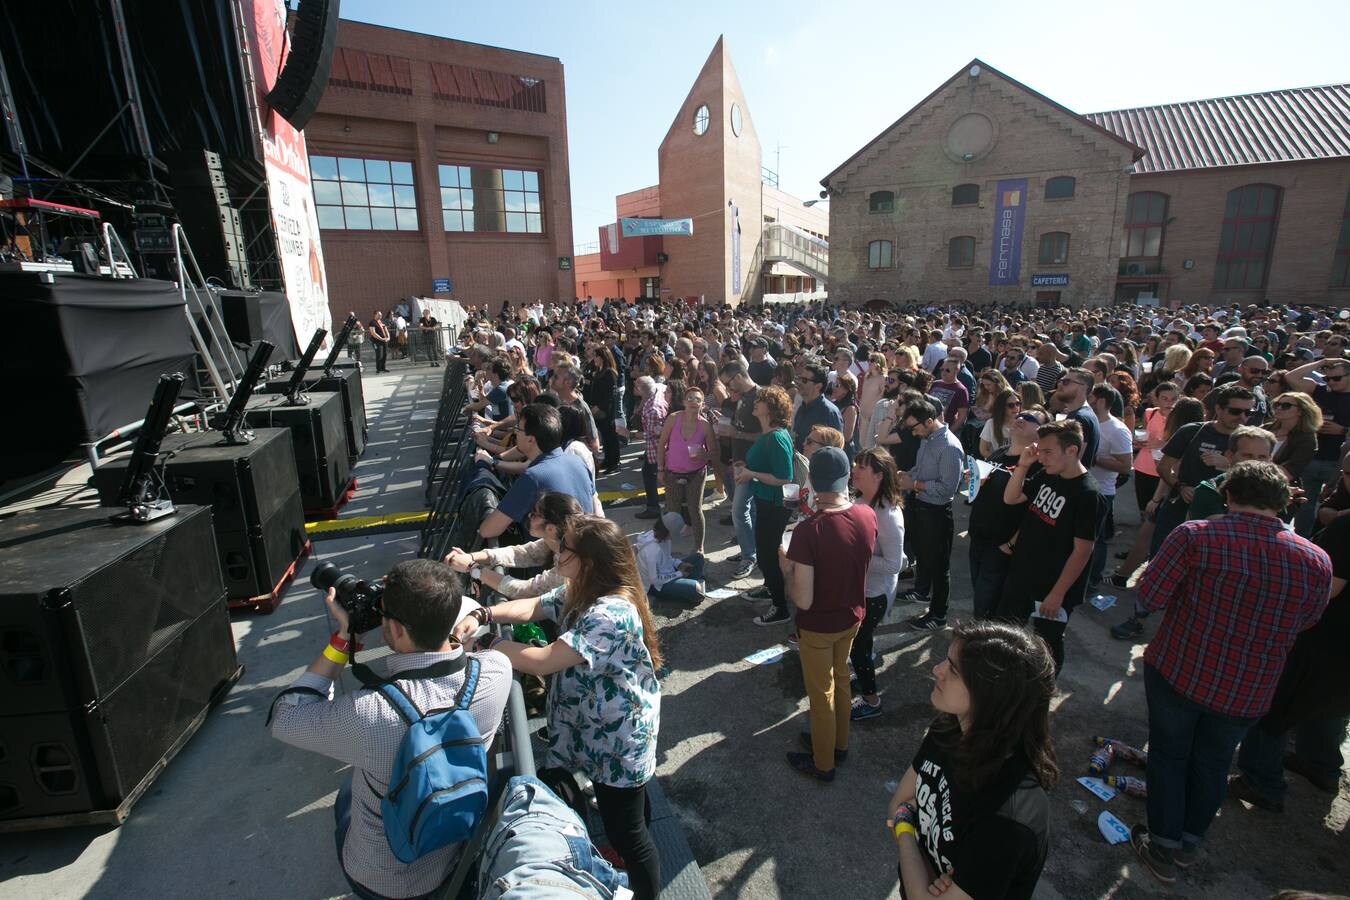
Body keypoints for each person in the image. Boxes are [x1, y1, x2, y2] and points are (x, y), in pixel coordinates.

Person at [1130, 461, 1331, 885]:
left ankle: (1164, 845)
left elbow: (1148, 596)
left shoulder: (1197, 535)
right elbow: (1310, 619)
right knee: (1214, 763)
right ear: (1281, 503)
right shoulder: (1316, 559)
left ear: (1228, 495)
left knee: (1170, 756)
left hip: (1180, 671)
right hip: (1249, 687)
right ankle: (1188, 842)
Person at [270, 560, 512, 900]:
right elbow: (460, 645)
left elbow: (285, 717)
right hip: (454, 856)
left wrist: (342, 641)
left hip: (385, 881)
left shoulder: (368, 713)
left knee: (347, 795)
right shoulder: (496, 672)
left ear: (396, 631)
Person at [456, 517, 663, 899]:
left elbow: (543, 660)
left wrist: (488, 648)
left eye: (564, 546)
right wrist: (483, 615)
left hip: (618, 741)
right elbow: (535, 606)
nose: (557, 550)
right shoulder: (581, 587)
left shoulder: (610, 613)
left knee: (629, 834)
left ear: (588, 560)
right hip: (598, 731)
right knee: (626, 813)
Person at [885, 620, 1055, 900]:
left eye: (952, 669)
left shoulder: (1009, 816)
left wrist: (905, 829)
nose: (936, 670)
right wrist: (908, 833)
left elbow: (903, 810)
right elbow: (897, 804)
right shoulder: (948, 730)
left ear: (991, 695)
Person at [1231, 513, 1350, 812]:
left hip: (1327, 640)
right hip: (1338, 650)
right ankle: (1320, 764)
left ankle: (1261, 782)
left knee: (1275, 704)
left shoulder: (1346, 525)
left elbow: (1328, 588)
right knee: (1331, 703)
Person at [780, 446, 878, 780]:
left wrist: (787, 569)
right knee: (841, 678)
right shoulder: (867, 514)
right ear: (846, 477)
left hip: (819, 624)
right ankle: (838, 743)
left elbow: (803, 599)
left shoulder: (809, 531)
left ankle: (824, 763)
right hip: (852, 616)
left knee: (821, 694)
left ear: (811, 483)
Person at [995, 420, 1105, 674]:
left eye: (1047, 452)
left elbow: (1082, 550)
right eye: (1040, 451)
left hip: (1051, 587)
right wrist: (1023, 465)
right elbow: (1011, 498)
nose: (1041, 458)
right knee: (1004, 631)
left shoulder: (1088, 494)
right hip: (1022, 574)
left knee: (1047, 643)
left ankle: (1043, 690)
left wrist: (1057, 594)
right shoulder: (1047, 474)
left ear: (1072, 450)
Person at [968, 408, 1050, 619]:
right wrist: (975, 479)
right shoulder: (999, 452)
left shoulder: (1039, 467)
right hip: (979, 536)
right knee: (979, 594)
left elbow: (1034, 513)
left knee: (989, 602)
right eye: (1020, 415)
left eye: (1030, 418)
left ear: (1040, 432)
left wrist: (1012, 543)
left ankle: (983, 643)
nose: (1020, 418)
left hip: (1002, 544)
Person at [847, 447, 906, 721]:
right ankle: (862, 677)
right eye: (855, 465)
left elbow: (895, 564)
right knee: (860, 645)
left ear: (879, 476)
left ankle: (871, 700)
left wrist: (857, 558)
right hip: (859, 587)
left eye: (861, 467)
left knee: (859, 646)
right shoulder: (860, 501)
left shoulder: (889, 516)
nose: (854, 471)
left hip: (875, 594)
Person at [478, 404, 595, 539]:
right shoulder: (577, 462)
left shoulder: (533, 476)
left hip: (550, 556)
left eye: (518, 429)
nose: (515, 433)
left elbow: (488, 530)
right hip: (582, 548)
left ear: (531, 439)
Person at [897, 398, 965, 631]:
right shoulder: (927, 439)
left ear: (929, 421)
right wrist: (907, 475)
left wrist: (914, 483)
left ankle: (938, 615)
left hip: (937, 513)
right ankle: (922, 591)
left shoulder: (948, 446)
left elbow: (948, 488)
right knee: (923, 556)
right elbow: (921, 469)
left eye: (915, 428)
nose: (914, 433)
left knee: (939, 567)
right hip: (921, 507)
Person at [446, 491, 583, 599]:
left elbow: (525, 590)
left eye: (535, 514)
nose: (529, 515)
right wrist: (471, 556)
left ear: (551, 529)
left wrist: (473, 568)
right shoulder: (558, 541)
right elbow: (522, 553)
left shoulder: (570, 564)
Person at [737, 385, 797, 626]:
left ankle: (780, 608)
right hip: (765, 502)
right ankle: (769, 588)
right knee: (766, 551)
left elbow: (785, 477)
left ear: (770, 409)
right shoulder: (768, 434)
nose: (755, 403)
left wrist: (751, 473)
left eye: (760, 400)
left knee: (766, 554)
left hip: (775, 504)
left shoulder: (776, 436)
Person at [657, 384, 717, 559]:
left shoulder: (705, 425)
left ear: (703, 405)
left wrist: (703, 454)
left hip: (696, 473)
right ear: (683, 401)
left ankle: (699, 548)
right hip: (672, 472)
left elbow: (714, 453)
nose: (693, 402)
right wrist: (660, 469)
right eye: (689, 398)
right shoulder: (673, 418)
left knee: (695, 509)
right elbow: (661, 444)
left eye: (697, 399)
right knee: (672, 510)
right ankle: (663, 544)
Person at [1086, 384, 1134, 588]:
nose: (1087, 401)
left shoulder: (1117, 430)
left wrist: (1094, 459)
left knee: (1096, 540)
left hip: (1101, 493)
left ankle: (1092, 581)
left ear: (1102, 401)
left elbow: (1125, 466)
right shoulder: (1089, 421)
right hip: (1083, 488)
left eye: (1090, 397)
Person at [634, 511, 706, 604]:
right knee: (696, 588)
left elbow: (667, 558)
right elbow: (655, 580)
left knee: (699, 557)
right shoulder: (651, 550)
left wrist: (679, 564)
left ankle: (685, 584)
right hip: (657, 586)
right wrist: (679, 574)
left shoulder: (663, 537)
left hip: (668, 573)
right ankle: (686, 586)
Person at [633, 375, 668, 519]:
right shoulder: (657, 388)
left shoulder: (652, 410)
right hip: (654, 448)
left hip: (656, 449)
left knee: (654, 475)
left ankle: (655, 507)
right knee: (649, 473)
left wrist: (632, 435)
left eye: (635, 387)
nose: (633, 388)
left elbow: (655, 433)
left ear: (641, 390)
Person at [1267, 392, 1320, 483]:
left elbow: (1290, 471)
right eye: (1277, 404)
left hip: (1279, 487)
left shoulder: (1307, 439)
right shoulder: (1264, 429)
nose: (1279, 408)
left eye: (1286, 406)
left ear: (1301, 411)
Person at [792, 362, 843, 452]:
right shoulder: (802, 407)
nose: (799, 382)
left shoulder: (829, 413)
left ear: (818, 386)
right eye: (799, 378)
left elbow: (835, 449)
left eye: (804, 380)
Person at [585, 345, 621, 471]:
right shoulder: (599, 371)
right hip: (596, 408)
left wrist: (600, 407)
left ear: (603, 357)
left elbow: (610, 394)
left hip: (606, 410)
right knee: (605, 436)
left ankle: (614, 462)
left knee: (610, 435)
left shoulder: (609, 372)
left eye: (596, 356)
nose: (594, 358)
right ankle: (607, 459)